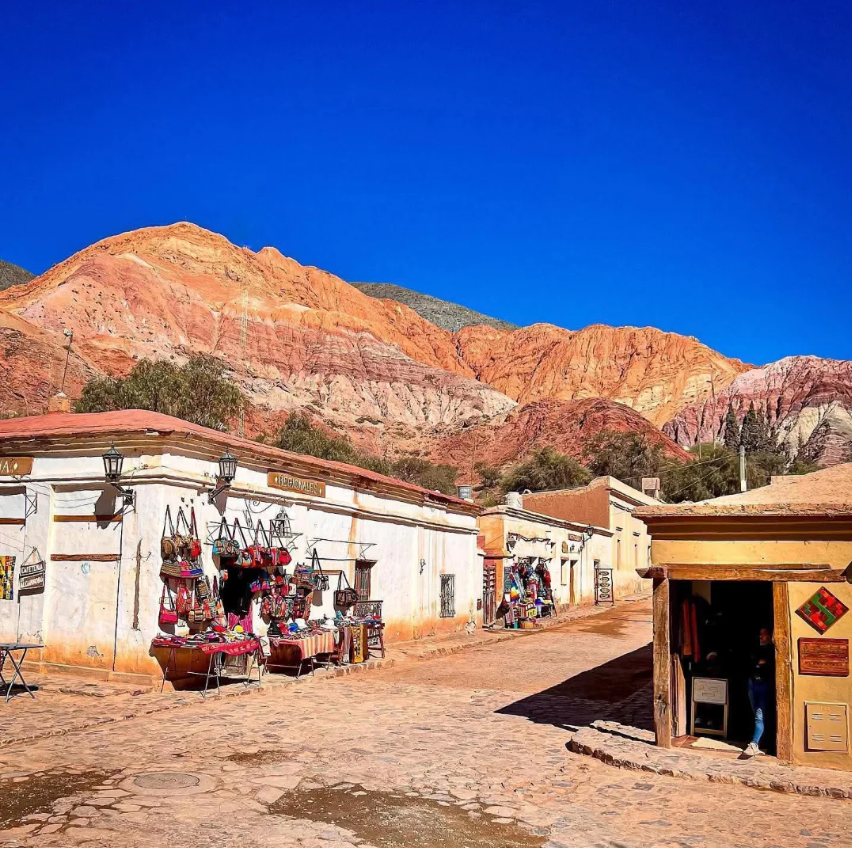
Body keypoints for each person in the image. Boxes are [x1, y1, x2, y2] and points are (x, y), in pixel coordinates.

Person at [743, 626, 774, 757]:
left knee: (759, 715)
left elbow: (764, 664)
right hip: (752, 684)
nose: (761, 637)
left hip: (764, 685)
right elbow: (752, 663)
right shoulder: (756, 649)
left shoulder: (772, 650)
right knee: (756, 713)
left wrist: (759, 663)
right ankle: (762, 742)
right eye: (760, 634)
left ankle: (754, 743)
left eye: (764, 634)